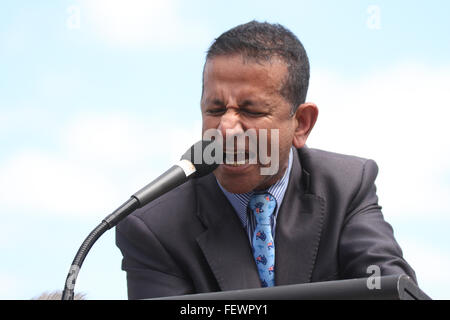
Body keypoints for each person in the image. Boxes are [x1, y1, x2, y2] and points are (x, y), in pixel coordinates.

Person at [116, 21, 416, 299]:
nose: (226, 128)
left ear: (301, 123)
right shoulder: (152, 227)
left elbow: (390, 289)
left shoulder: (348, 185)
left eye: (251, 111)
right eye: (215, 109)